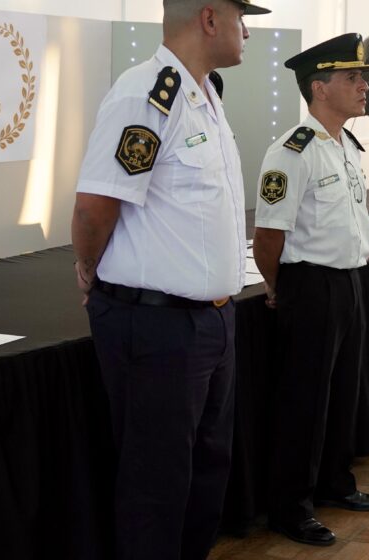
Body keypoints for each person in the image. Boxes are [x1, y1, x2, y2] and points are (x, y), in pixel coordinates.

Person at [69, 1, 270, 558]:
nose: (247, 30)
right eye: (240, 16)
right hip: (157, 328)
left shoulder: (202, 95)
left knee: (206, 476)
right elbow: (94, 208)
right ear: (209, 19)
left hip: (213, 323)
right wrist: (90, 270)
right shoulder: (148, 95)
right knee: (156, 487)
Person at [252, 33, 369, 547]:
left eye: (363, 77)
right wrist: (278, 286)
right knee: (304, 402)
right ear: (319, 87)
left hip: (350, 281)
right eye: (352, 77)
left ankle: (334, 482)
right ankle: (291, 506)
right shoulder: (292, 151)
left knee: (344, 392)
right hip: (310, 285)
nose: (363, 85)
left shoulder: (346, 145)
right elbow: (268, 235)